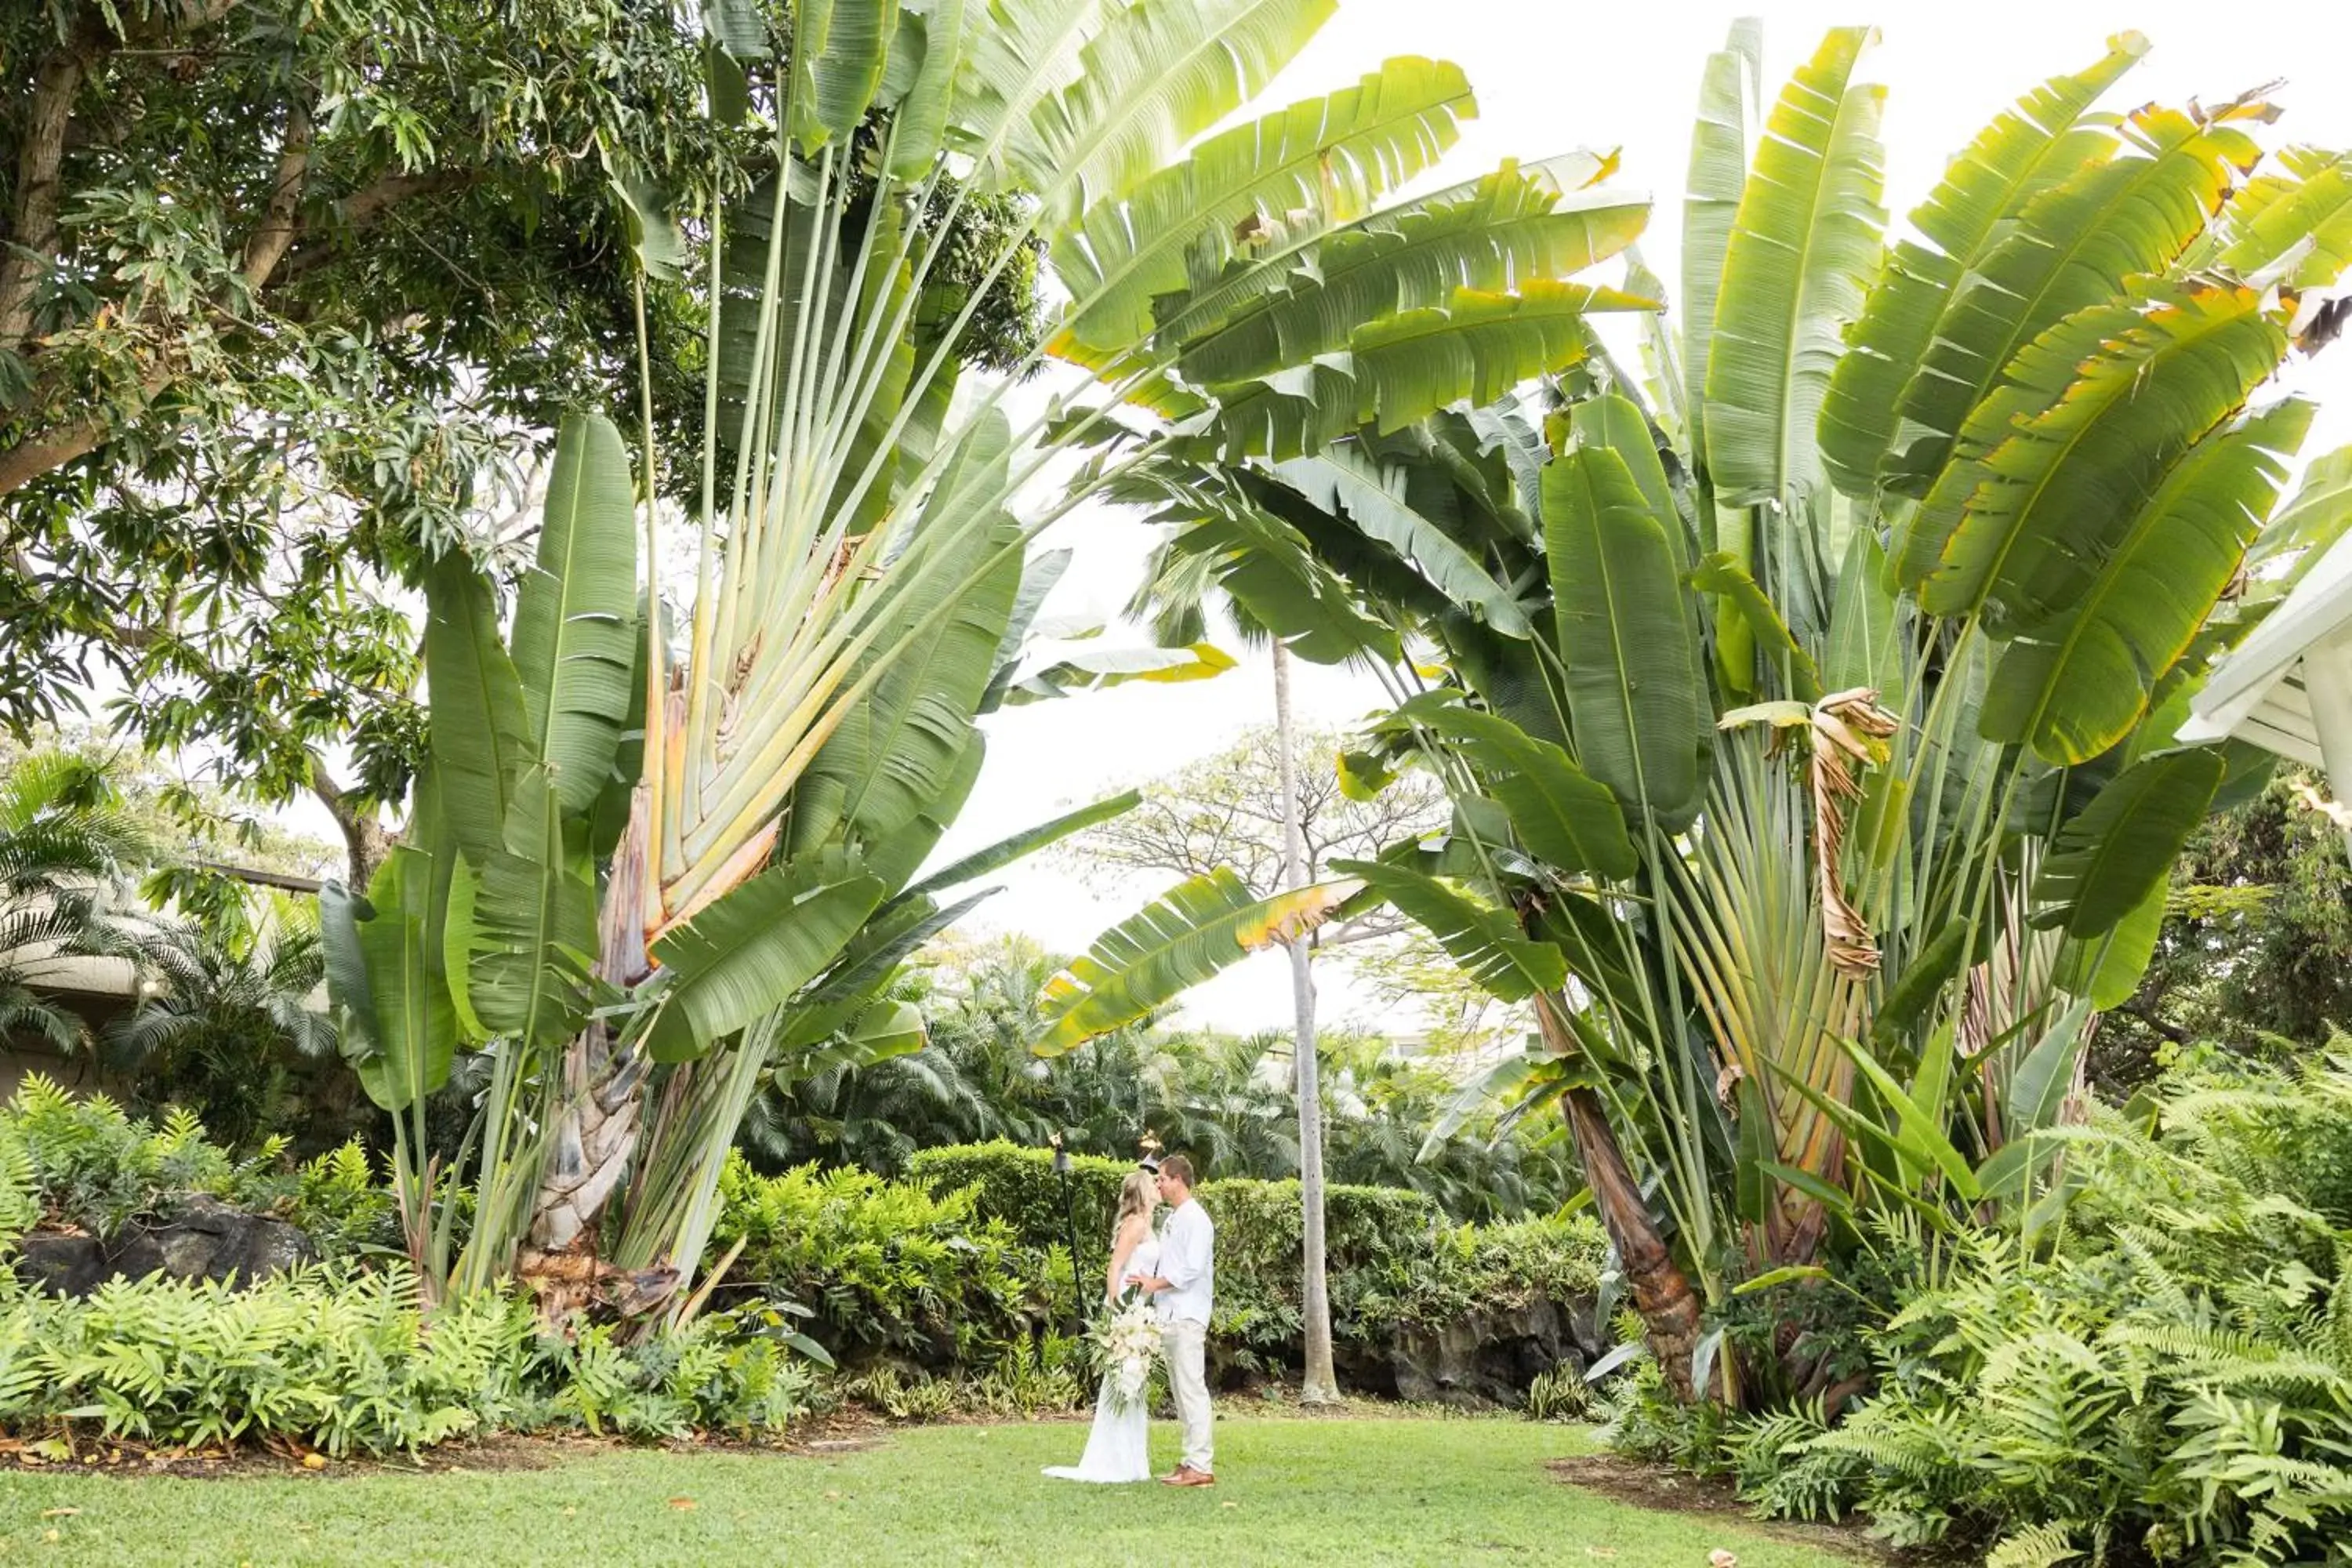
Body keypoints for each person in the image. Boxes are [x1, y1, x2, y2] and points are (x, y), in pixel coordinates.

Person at [1041, 1169, 1160, 1483]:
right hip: (1126, 1305)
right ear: (1144, 1192)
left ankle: (1132, 1459)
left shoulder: (1148, 1224)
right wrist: (1117, 1310)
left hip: (1140, 1305)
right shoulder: (1135, 1224)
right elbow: (1115, 1267)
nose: (1158, 1187)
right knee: (1122, 1378)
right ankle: (1114, 1459)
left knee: (1134, 1381)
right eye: (1154, 1184)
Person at [1126, 1153, 1214, 1487]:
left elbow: (1190, 1269)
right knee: (1180, 1391)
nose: (1158, 1184)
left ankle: (1201, 1466)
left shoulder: (1197, 1220)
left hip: (1188, 1315)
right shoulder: (1175, 1219)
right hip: (1170, 1314)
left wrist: (1154, 1284)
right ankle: (1190, 1460)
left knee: (1192, 1389)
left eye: (1162, 1179)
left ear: (1178, 1180)